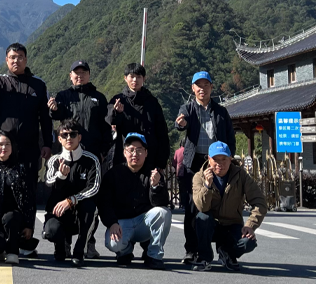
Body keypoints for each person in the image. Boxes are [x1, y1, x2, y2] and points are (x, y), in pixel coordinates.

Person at [0, 41, 53, 253]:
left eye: (20, 57)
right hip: (4, 150)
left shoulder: (38, 85)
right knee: (2, 191)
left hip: (29, 149)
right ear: (6, 60)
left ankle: (26, 240)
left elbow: (45, 118)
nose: (16, 60)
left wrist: (47, 144)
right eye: (12, 57)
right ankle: (5, 237)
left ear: (26, 59)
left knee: (28, 192)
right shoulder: (2, 81)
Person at [47, 60, 110, 259]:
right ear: (70, 75)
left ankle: (88, 243)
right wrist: (53, 109)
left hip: (91, 157)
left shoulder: (99, 98)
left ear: (89, 75)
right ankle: (64, 242)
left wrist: (103, 151)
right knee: (64, 195)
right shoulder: (64, 96)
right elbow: (58, 119)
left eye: (84, 72)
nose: (80, 75)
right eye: (76, 72)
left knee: (90, 201)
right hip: (69, 156)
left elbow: (106, 127)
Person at [175, 71, 236, 265]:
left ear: (211, 87)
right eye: (198, 85)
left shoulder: (221, 111)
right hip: (194, 165)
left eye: (206, 85)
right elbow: (181, 122)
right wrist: (181, 124)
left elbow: (230, 137)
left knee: (218, 207)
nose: (202, 89)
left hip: (216, 164)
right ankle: (191, 250)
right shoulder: (188, 108)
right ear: (193, 88)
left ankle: (221, 249)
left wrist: (229, 158)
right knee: (192, 208)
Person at [99, 133, 172, 270]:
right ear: (124, 152)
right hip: (122, 223)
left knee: (163, 213)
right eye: (131, 150)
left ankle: (154, 255)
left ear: (146, 153)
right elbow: (104, 203)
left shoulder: (153, 173)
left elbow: (162, 203)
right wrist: (112, 223)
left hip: (143, 222)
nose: (135, 154)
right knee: (113, 244)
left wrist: (155, 186)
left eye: (139, 150)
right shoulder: (113, 174)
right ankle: (125, 252)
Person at [191, 141, 266, 272]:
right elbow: (202, 207)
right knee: (202, 218)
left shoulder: (241, 175)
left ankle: (227, 253)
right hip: (211, 226)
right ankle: (204, 257)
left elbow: (260, 202)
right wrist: (207, 186)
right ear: (209, 159)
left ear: (230, 159)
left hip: (232, 224)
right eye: (216, 159)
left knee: (249, 243)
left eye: (224, 159)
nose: (220, 163)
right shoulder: (199, 176)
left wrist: (250, 225)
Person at [43, 120, 101, 267]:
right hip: (59, 213)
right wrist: (61, 176)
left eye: (73, 134)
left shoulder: (92, 160)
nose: (69, 138)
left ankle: (79, 250)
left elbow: (94, 187)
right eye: (65, 135)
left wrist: (72, 200)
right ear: (59, 139)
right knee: (51, 231)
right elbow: (48, 182)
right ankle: (61, 247)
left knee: (90, 207)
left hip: (80, 214)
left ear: (79, 137)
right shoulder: (54, 160)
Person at [0, 130, 37, 265]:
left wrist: (29, 225)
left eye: (7, 144)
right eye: (0, 144)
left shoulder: (21, 168)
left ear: (12, 146)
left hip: (15, 216)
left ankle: (13, 251)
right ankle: (1, 248)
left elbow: (29, 198)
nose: (4, 147)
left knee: (10, 218)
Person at [106, 63, 169, 171]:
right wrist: (117, 112)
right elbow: (110, 121)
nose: (135, 80)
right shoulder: (118, 100)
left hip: (149, 159)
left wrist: (161, 163)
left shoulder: (152, 102)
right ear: (125, 78)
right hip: (124, 158)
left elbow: (162, 133)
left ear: (144, 78)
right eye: (132, 76)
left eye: (139, 77)